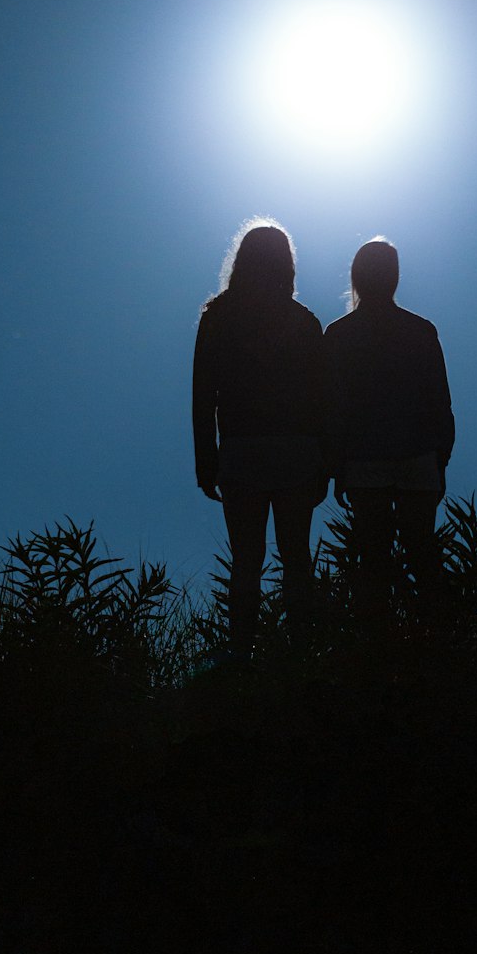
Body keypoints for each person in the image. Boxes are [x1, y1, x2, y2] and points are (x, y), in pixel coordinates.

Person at [193, 219, 327, 655]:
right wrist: (323, 463)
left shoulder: (218, 316)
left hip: (241, 453)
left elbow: (203, 395)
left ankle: (241, 655)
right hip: (296, 454)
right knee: (297, 559)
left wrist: (205, 459)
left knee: (246, 562)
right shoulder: (304, 322)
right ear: (287, 265)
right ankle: (302, 652)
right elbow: (320, 400)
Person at [323, 237, 454, 619]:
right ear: (394, 277)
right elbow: (439, 401)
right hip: (417, 456)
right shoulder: (420, 330)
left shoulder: (340, 335)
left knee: (373, 560)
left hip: (365, 459)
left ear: (357, 278)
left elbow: (334, 406)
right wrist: (440, 458)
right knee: (422, 553)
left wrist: (336, 466)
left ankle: (376, 648)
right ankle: (437, 640)